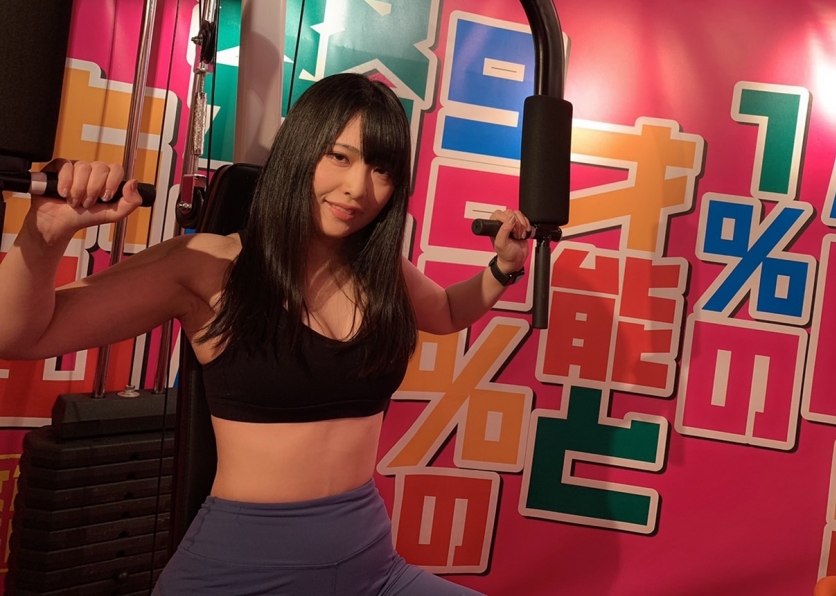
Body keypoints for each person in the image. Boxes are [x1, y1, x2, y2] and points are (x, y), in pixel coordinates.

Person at [0, 73, 531, 595]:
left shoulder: (379, 271)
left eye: (381, 169)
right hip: (244, 572)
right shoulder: (207, 265)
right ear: (300, 149)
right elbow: (21, 336)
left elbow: (446, 311)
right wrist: (45, 233)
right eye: (339, 156)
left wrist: (503, 267)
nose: (357, 188)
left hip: (372, 569)